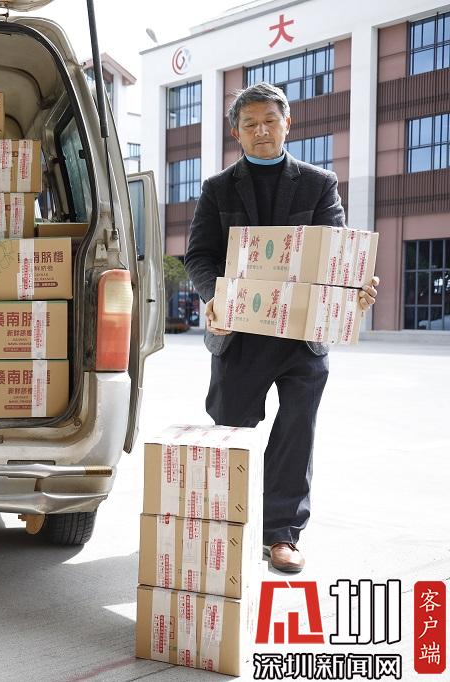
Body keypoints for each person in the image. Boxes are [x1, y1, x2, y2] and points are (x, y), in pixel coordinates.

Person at [183, 82, 380, 573]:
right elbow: (199, 256)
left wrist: (356, 286)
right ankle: (227, 526)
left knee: (296, 433)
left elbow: (336, 253)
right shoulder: (217, 188)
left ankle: (281, 534)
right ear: (236, 133)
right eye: (250, 124)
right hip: (240, 335)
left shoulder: (318, 183)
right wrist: (215, 296)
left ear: (287, 123)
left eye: (270, 120)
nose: (261, 130)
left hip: (301, 336)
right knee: (231, 432)